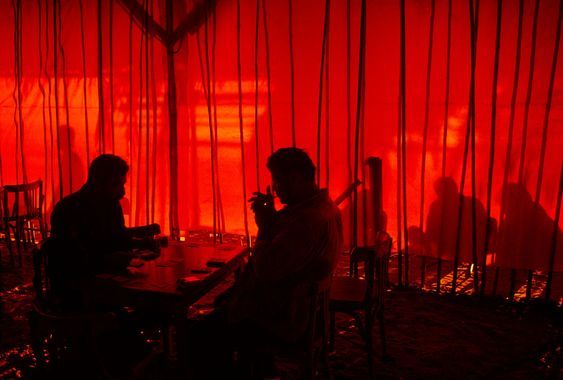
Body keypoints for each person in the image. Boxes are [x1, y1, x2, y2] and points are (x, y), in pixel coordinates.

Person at [187, 147, 343, 378]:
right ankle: (258, 367)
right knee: (222, 307)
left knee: (199, 330)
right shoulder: (323, 207)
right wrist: (274, 217)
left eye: (282, 180)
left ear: (301, 177)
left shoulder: (307, 220)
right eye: (275, 180)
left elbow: (266, 269)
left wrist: (264, 226)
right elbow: (288, 245)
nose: (277, 188)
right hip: (304, 309)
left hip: (283, 317)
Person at [46, 154, 160, 310]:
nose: (122, 192)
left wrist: (140, 242)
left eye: (123, 185)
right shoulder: (69, 209)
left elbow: (115, 237)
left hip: (104, 279)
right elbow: (69, 262)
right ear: (97, 182)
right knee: (150, 305)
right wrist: (109, 260)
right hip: (77, 291)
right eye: (116, 185)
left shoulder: (111, 204)